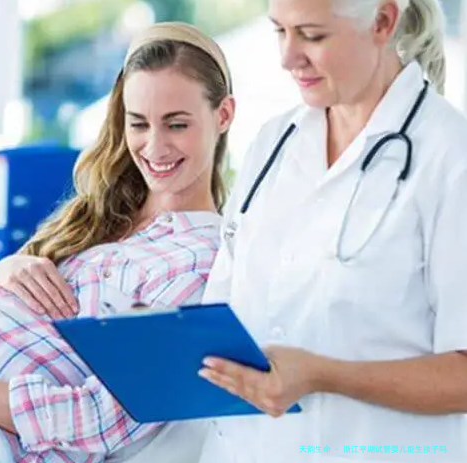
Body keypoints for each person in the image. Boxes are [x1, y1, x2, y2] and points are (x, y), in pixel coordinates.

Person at [0, 22, 235, 463]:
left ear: (223, 115)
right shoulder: (104, 216)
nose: (154, 146)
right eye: (138, 123)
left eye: (177, 124)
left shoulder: (203, 263)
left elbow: (107, 418)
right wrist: (9, 269)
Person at [192, 0, 467, 462]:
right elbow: (223, 309)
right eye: (279, 31)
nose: (287, 57)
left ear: (382, 22)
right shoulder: (274, 142)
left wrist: (325, 375)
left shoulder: (450, 156)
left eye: (312, 35)